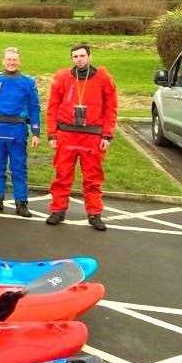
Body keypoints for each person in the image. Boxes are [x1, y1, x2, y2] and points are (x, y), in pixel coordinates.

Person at [46, 43, 117, 231]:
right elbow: (52, 106)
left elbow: (111, 108)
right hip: (66, 134)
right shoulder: (62, 77)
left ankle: (94, 214)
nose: (79, 59)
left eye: (82, 56)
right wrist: (52, 133)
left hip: (92, 135)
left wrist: (107, 135)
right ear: (72, 59)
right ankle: (58, 210)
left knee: (93, 177)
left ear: (89, 56)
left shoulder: (103, 78)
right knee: (62, 175)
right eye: (75, 56)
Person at [0, 47, 41, 217]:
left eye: (14, 59)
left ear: (19, 61)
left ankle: (21, 203)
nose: (11, 62)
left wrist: (35, 132)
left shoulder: (27, 82)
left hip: (18, 131)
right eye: (9, 59)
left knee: (19, 168)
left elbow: (34, 108)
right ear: (3, 61)